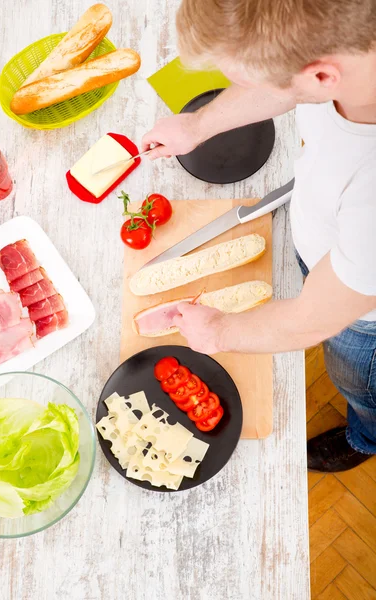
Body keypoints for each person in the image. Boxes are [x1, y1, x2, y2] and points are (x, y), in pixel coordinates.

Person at [141, 0, 376, 473]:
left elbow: (314, 319)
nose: (246, 90)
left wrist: (220, 329)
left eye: (248, 80)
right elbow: (284, 87)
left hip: (363, 316)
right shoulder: (336, 39)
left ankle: (365, 436)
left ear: (321, 76)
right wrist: (197, 124)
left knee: (359, 380)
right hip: (338, 251)